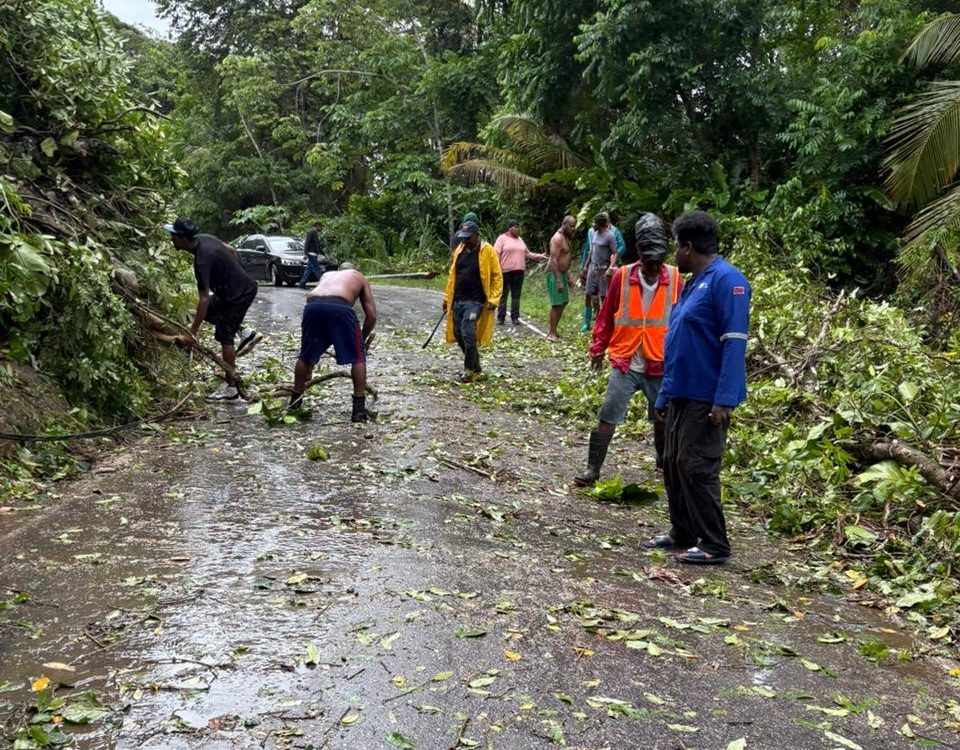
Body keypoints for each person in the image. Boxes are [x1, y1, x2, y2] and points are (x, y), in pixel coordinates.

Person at [643, 210, 751, 565]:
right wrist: (665, 394)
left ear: (688, 247)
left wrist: (725, 398)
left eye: (676, 246)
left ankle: (715, 543)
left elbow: (734, 341)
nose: (674, 254)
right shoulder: (693, 282)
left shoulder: (727, 281)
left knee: (697, 466)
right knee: (673, 462)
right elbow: (680, 342)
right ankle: (683, 531)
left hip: (706, 395)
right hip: (682, 392)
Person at [573, 213, 682, 487]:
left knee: (662, 416)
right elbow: (606, 317)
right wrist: (597, 349)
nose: (653, 267)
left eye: (657, 261)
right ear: (640, 257)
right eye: (648, 261)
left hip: (659, 362)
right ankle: (593, 468)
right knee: (608, 414)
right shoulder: (622, 277)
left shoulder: (676, 279)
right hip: (626, 360)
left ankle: (662, 459)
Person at [164, 216, 258, 401]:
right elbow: (231, 249)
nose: (171, 239)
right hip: (232, 292)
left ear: (183, 238)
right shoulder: (205, 238)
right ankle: (244, 331)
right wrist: (232, 270)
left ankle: (231, 388)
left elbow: (204, 298)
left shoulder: (201, 261)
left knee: (225, 336)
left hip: (238, 296)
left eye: (173, 236)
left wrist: (192, 333)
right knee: (209, 314)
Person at [289, 263, 377, 422]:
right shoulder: (360, 277)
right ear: (354, 269)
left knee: (305, 356)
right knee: (358, 358)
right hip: (340, 307)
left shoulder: (327, 275)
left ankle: (294, 404)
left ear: (339, 271)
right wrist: (361, 341)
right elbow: (371, 316)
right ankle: (358, 410)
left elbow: (323, 303)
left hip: (312, 306)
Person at [443, 220, 503, 383]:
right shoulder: (459, 250)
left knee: (468, 332)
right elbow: (452, 276)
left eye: (468, 237)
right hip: (459, 299)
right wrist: (447, 299)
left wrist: (493, 299)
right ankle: (476, 368)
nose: (465, 240)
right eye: (463, 237)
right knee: (457, 333)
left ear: (477, 235)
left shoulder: (488, 251)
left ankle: (468, 370)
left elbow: (497, 276)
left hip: (475, 301)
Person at [493, 219, 546, 325]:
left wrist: (540, 256)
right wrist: (496, 270)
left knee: (516, 295)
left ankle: (515, 317)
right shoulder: (502, 239)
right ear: (509, 228)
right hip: (505, 272)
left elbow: (528, 253)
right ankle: (501, 317)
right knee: (503, 295)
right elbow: (495, 255)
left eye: (518, 227)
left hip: (519, 272)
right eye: (515, 227)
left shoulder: (520, 240)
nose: (518, 229)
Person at [578, 214, 619, 332]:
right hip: (593, 268)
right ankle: (586, 322)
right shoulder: (594, 233)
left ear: (600, 224)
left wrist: (610, 268)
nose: (592, 225)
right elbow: (591, 251)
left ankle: (604, 323)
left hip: (603, 269)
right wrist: (585, 267)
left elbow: (615, 253)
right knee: (588, 293)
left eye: (594, 223)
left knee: (603, 296)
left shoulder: (610, 236)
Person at [545, 215, 576, 341]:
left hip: (562, 273)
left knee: (564, 302)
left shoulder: (566, 237)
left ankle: (554, 330)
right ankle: (551, 333)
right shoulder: (557, 239)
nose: (573, 229)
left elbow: (565, 259)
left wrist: (568, 277)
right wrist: (558, 281)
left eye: (574, 226)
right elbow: (553, 260)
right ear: (564, 224)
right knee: (557, 303)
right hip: (554, 274)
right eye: (571, 226)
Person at [297, 221, 327, 288]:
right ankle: (322, 284)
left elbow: (316, 245)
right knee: (317, 269)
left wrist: (322, 253)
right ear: (317, 226)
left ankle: (302, 284)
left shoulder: (313, 232)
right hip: (312, 254)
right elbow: (308, 243)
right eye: (320, 226)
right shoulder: (312, 232)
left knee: (309, 269)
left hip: (313, 253)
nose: (321, 228)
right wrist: (305, 253)